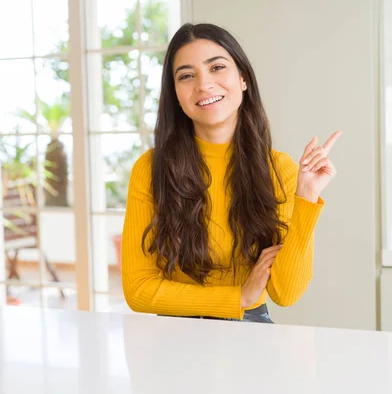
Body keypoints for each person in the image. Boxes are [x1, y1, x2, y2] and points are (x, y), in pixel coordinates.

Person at [121, 23, 341, 323]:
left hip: (250, 330)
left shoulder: (280, 170)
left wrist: (307, 196)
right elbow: (138, 290)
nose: (203, 85)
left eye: (217, 67)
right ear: (175, 93)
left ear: (243, 78)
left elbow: (286, 293)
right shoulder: (151, 169)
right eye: (186, 75)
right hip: (173, 335)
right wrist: (237, 297)